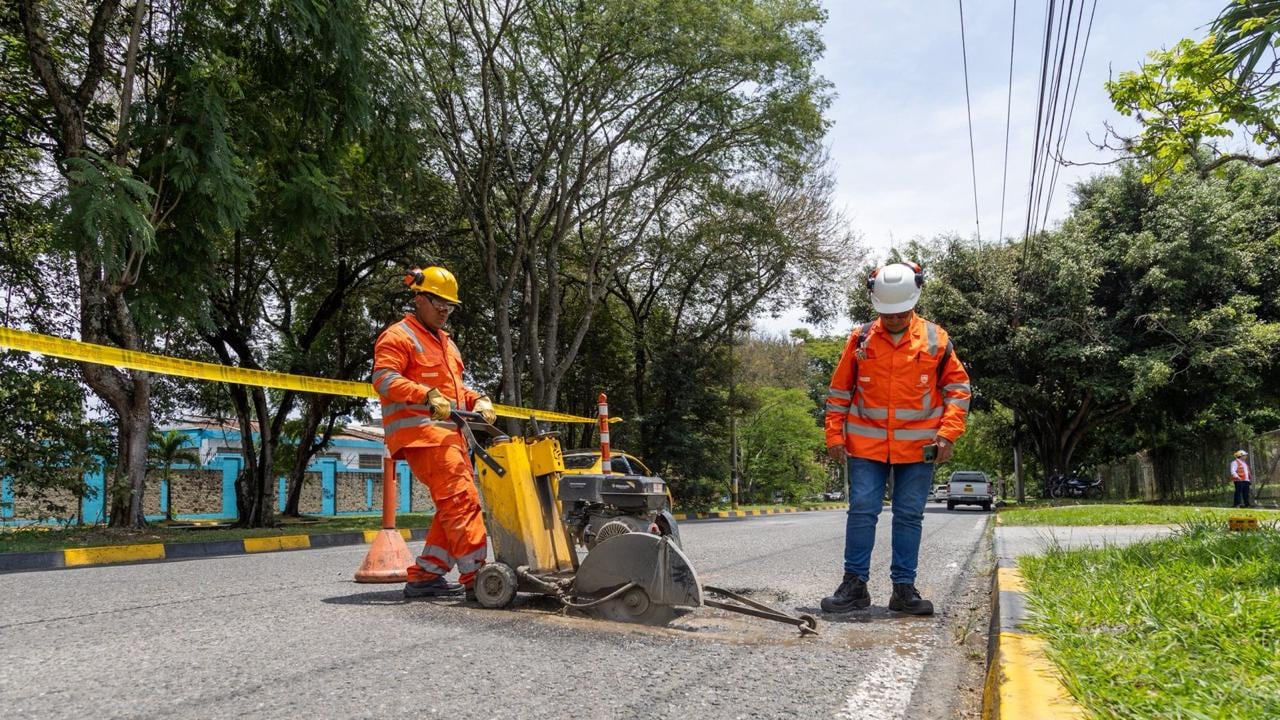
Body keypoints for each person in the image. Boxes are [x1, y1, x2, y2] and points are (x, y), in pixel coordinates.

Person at [821, 262, 971, 616]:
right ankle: (854, 585)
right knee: (862, 511)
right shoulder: (859, 339)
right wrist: (833, 434)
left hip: (919, 449)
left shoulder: (936, 339)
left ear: (914, 301)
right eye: (888, 314)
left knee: (908, 516)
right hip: (866, 445)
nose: (894, 319)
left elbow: (958, 388)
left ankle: (904, 591)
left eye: (901, 313)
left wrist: (948, 434)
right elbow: (840, 390)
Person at [372, 266, 498, 598]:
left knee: (451, 505)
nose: (444, 309)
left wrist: (478, 398)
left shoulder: (447, 344)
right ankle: (478, 578)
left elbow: (454, 392)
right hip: (424, 436)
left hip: (450, 438)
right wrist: (424, 395)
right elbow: (383, 378)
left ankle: (426, 574)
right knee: (462, 501)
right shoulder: (398, 335)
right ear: (418, 298)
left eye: (449, 304)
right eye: (437, 300)